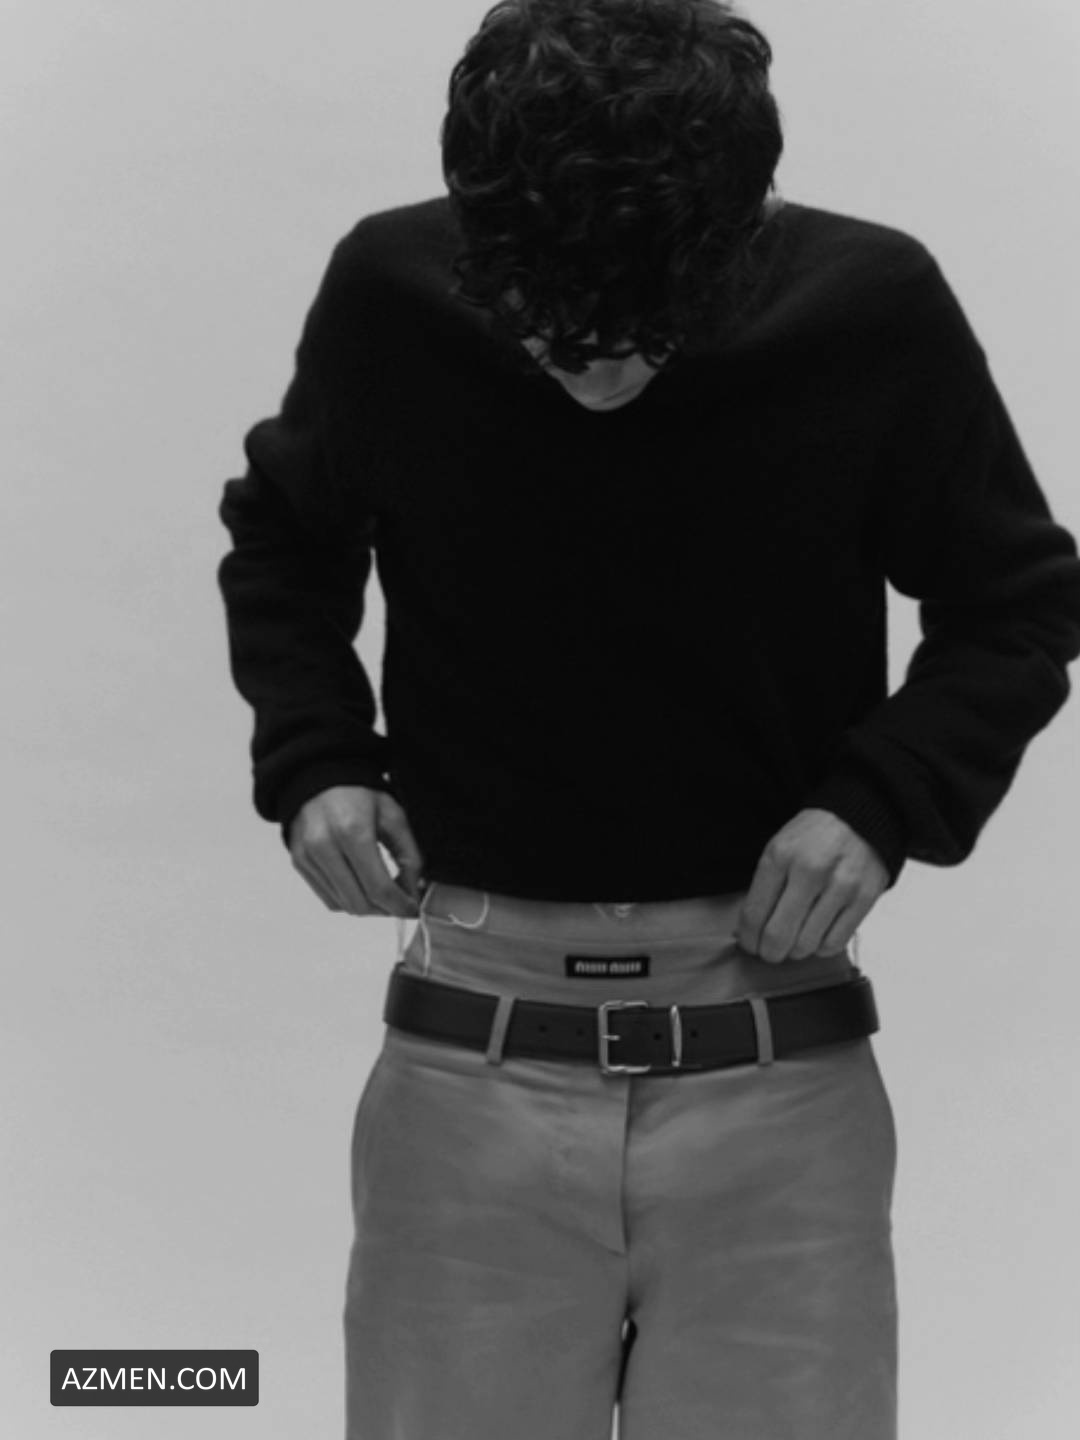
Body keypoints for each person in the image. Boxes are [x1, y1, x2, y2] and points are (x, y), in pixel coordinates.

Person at [215, 2, 1080, 1437]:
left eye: (641, 331)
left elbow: (1019, 600)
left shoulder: (872, 308)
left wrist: (883, 802)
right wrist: (314, 759)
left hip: (777, 1066)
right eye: (543, 322)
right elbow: (286, 542)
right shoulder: (389, 290)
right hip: (466, 1072)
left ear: (738, 241)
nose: (593, 371)